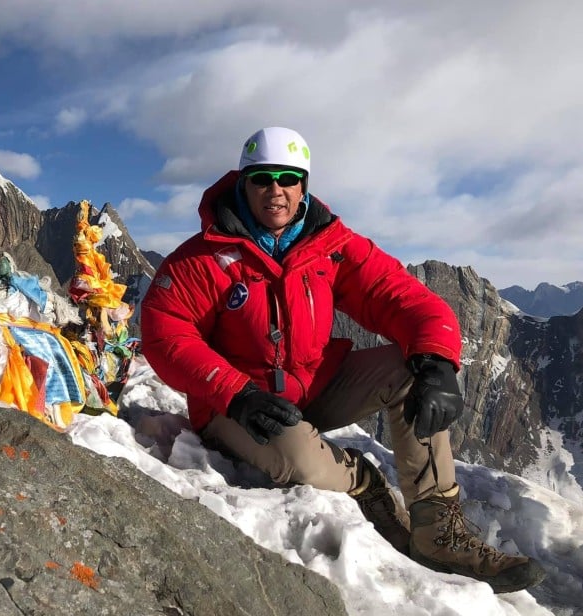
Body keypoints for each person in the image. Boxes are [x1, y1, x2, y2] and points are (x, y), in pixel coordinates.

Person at [140, 127, 545, 594]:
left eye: (289, 178)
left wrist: (437, 359)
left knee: (410, 369)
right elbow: (166, 335)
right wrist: (236, 393)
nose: (277, 190)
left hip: (313, 385)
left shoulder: (329, 246)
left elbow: (400, 297)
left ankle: (438, 531)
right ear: (242, 182)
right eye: (263, 178)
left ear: (304, 186)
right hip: (237, 403)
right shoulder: (201, 258)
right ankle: (363, 481)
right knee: (303, 464)